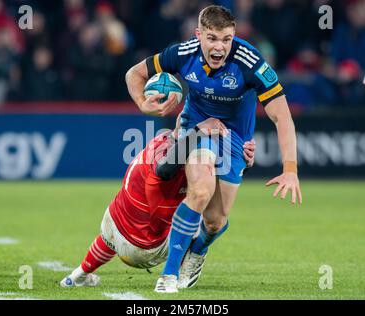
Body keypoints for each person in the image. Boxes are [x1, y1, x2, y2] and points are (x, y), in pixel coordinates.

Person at [125, 5, 302, 293]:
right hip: (198, 127)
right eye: (212, 38)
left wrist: (290, 170)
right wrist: (143, 104)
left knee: (216, 221)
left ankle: (197, 251)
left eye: (226, 39)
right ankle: (169, 274)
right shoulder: (183, 54)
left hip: (234, 139)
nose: (219, 46)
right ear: (199, 35)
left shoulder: (251, 62)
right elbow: (134, 74)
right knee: (201, 189)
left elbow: (282, 116)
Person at [60, 116, 256, 287]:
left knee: (123, 223)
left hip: (112, 225)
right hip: (145, 249)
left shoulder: (161, 141)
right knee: (216, 218)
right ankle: (190, 260)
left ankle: (77, 275)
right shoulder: (178, 158)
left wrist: (240, 159)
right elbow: (165, 170)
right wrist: (200, 132)